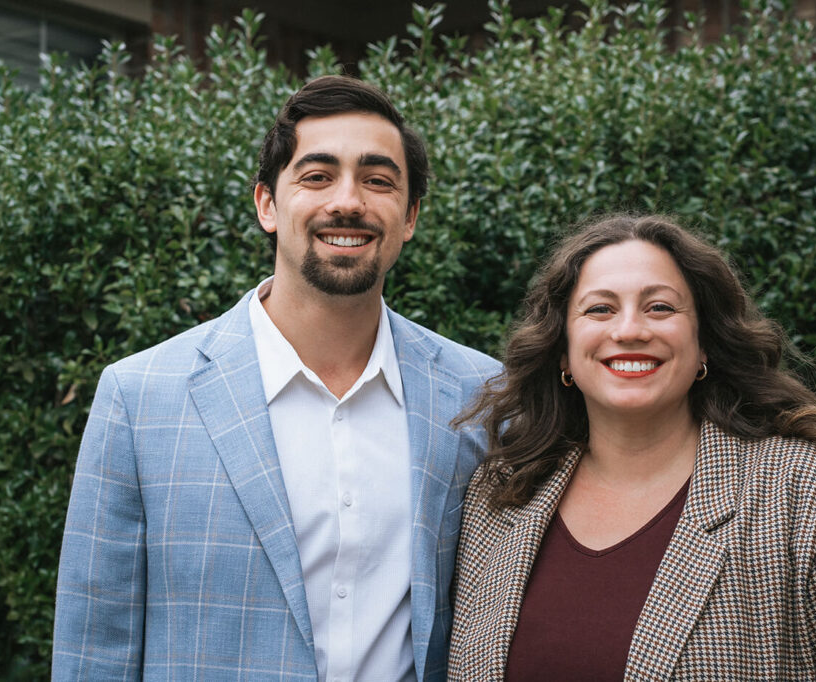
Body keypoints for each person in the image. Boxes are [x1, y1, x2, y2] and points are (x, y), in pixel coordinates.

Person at [52, 75, 499, 681]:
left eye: (378, 180)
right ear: (267, 204)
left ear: (410, 215)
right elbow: (94, 649)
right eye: (317, 177)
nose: (349, 201)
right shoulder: (140, 398)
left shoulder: (480, 396)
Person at [448, 214, 816, 680]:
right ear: (563, 351)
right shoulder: (501, 494)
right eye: (600, 309)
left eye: (660, 307)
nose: (630, 330)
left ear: (703, 345)